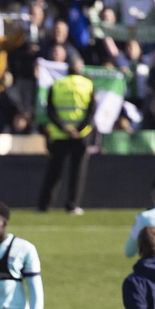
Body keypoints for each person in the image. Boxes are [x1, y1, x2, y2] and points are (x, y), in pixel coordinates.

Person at [37, 58, 95, 214]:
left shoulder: (57, 85)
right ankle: (72, 205)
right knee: (77, 171)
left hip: (59, 134)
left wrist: (64, 128)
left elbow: (50, 111)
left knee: (54, 170)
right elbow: (91, 112)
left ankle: (44, 205)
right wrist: (78, 129)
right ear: (80, 69)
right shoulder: (88, 85)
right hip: (81, 135)